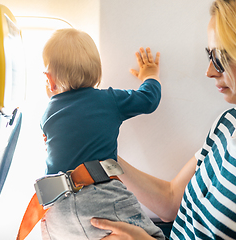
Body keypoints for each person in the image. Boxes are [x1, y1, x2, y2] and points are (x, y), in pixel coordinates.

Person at [90, 0, 236, 239]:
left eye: (221, 57)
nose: (209, 71)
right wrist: (101, 155)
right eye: (210, 55)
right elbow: (171, 202)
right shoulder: (228, 122)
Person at [39, 28, 165, 239]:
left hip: (56, 208)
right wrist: (150, 75)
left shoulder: (47, 114)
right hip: (102, 200)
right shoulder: (109, 100)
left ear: (49, 80)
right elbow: (149, 100)